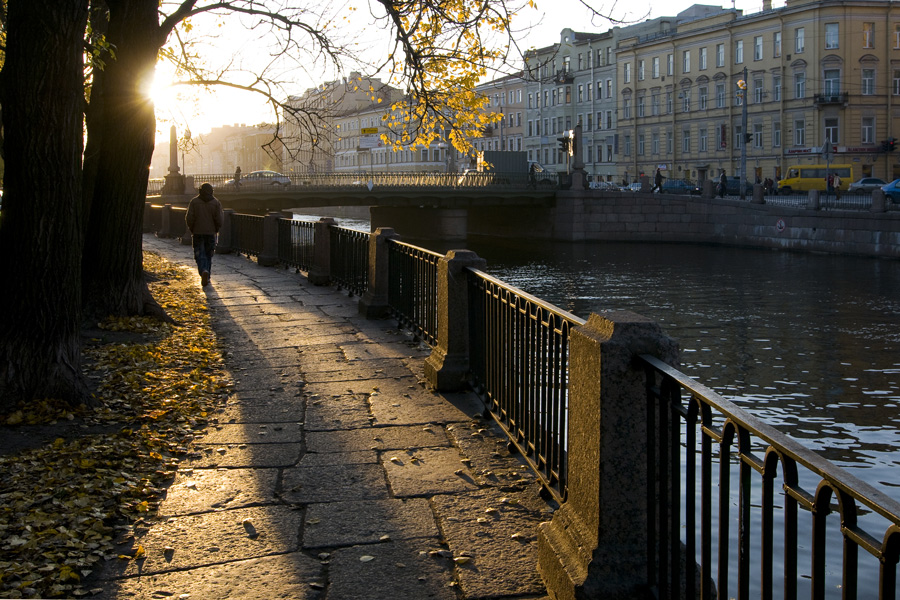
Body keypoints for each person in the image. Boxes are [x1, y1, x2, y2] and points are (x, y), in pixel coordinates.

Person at [185, 182, 224, 287]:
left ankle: (203, 271)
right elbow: (219, 219)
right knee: (208, 255)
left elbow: (189, 218)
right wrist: (216, 228)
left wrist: (192, 228)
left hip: (198, 232)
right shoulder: (216, 203)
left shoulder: (194, 202)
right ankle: (208, 275)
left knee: (199, 254)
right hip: (211, 233)